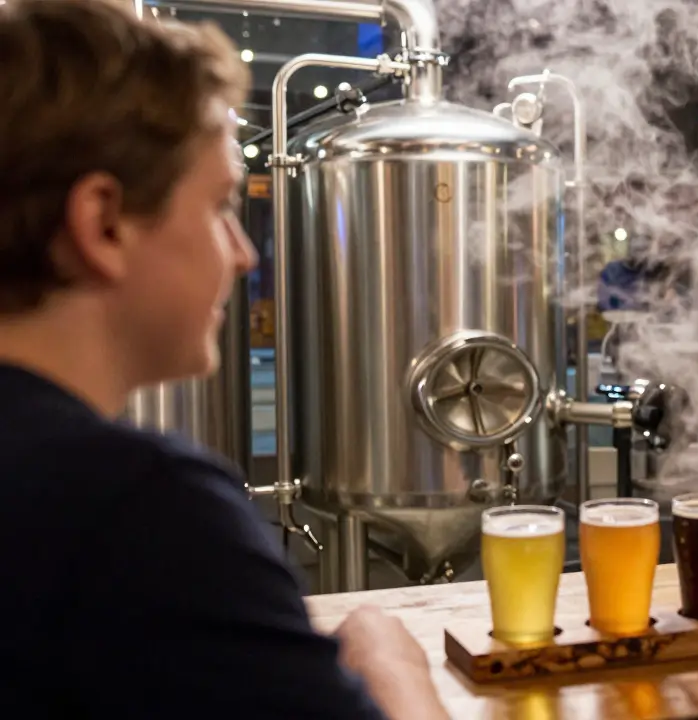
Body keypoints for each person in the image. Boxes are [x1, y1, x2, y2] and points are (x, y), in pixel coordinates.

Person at [0, 2, 446, 718]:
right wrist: (384, 652)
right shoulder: (142, 512)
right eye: (218, 207)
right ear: (103, 223)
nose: (242, 256)